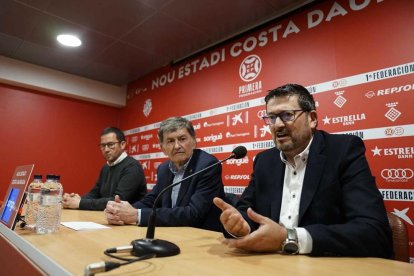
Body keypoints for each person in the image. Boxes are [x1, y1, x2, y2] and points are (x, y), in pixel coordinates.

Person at [213, 84, 393, 258]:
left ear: (312, 119)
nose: (277, 125)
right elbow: (247, 213)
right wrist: (240, 226)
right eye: (272, 118)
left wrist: (288, 238)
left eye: (287, 115)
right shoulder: (265, 161)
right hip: (270, 265)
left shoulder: (343, 151)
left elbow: (373, 231)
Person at [104, 117, 225, 231]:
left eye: (182, 139)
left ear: (194, 141)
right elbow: (152, 200)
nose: (177, 146)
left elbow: (194, 214)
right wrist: (120, 210)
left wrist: (137, 215)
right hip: (173, 231)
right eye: (170, 141)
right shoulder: (164, 168)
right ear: (162, 148)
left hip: (202, 234)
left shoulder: (208, 165)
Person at [62, 127, 147, 211]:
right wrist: (73, 200)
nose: (106, 150)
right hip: (109, 218)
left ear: (122, 144)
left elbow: (116, 201)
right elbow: (94, 193)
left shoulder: (132, 167)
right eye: (103, 145)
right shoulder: (105, 168)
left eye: (110, 145)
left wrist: (80, 203)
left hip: (129, 222)